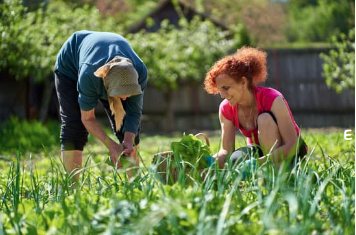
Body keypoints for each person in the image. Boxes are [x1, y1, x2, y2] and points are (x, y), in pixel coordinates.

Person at [54, 30, 148, 180]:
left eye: (130, 92)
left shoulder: (140, 72)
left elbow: (134, 113)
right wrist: (111, 146)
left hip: (104, 56)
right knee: (74, 125)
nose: (126, 98)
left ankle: (134, 184)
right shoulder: (89, 77)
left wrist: (128, 140)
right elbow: (87, 118)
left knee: (127, 128)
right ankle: (72, 189)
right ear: (106, 88)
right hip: (70, 65)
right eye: (121, 93)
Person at [204, 46, 307, 171]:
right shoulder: (226, 109)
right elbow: (226, 151)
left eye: (226, 88)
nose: (222, 95)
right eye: (220, 90)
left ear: (243, 82)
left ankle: (281, 176)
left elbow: (292, 144)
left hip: (291, 151)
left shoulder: (272, 98)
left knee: (264, 119)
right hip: (260, 152)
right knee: (235, 160)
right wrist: (204, 161)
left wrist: (259, 162)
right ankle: (267, 173)